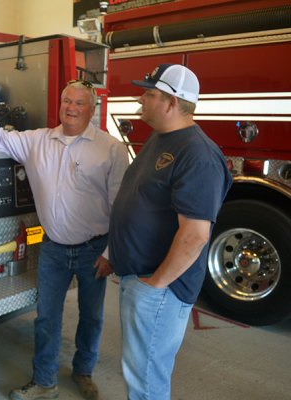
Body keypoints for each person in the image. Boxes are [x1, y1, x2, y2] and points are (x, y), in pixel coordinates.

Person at [0, 81, 129, 400]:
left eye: (79, 103)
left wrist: (110, 251)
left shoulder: (111, 149)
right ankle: (45, 382)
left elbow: (120, 205)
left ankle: (83, 371)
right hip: (54, 248)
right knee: (46, 317)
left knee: (92, 316)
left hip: (93, 249)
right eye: (66, 101)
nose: (71, 108)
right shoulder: (37, 141)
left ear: (92, 108)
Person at [108, 64, 232, 400]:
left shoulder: (198, 154)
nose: (140, 98)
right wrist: (113, 255)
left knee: (146, 379)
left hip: (160, 288)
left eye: (149, 93)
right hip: (141, 278)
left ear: (172, 102)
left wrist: (154, 286)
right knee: (139, 373)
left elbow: (194, 236)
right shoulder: (162, 139)